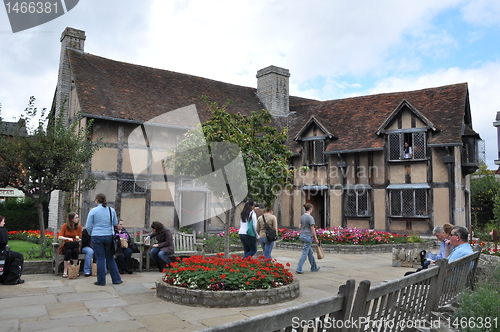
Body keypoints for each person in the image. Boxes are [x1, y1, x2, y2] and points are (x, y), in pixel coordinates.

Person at [86, 193, 122, 286]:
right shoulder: (111, 210)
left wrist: (92, 233)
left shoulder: (93, 211)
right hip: (109, 235)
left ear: (97, 200)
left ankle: (101, 281)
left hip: (97, 236)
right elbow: (114, 223)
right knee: (110, 258)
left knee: (100, 258)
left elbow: (88, 226)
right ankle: (116, 279)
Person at [296, 203, 320, 274]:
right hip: (308, 236)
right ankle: (299, 268)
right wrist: (316, 238)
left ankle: (314, 267)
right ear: (311, 209)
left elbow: (300, 226)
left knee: (309, 253)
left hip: (302, 235)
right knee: (304, 253)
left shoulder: (302, 216)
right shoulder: (310, 217)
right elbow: (312, 229)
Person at [0, 215, 24, 285]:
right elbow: (3, 242)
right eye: (3, 221)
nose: (4, 223)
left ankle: (4, 277)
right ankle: (12, 279)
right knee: (18, 256)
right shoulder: (2, 230)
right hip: (1, 253)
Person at [58, 212, 83, 278]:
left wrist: (79, 240)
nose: (78, 219)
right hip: (66, 246)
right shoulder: (65, 226)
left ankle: (74, 269)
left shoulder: (79, 227)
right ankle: (65, 270)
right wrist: (68, 238)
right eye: (76, 217)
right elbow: (60, 237)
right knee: (68, 252)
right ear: (71, 219)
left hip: (74, 245)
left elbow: (80, 237)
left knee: (75, 251)